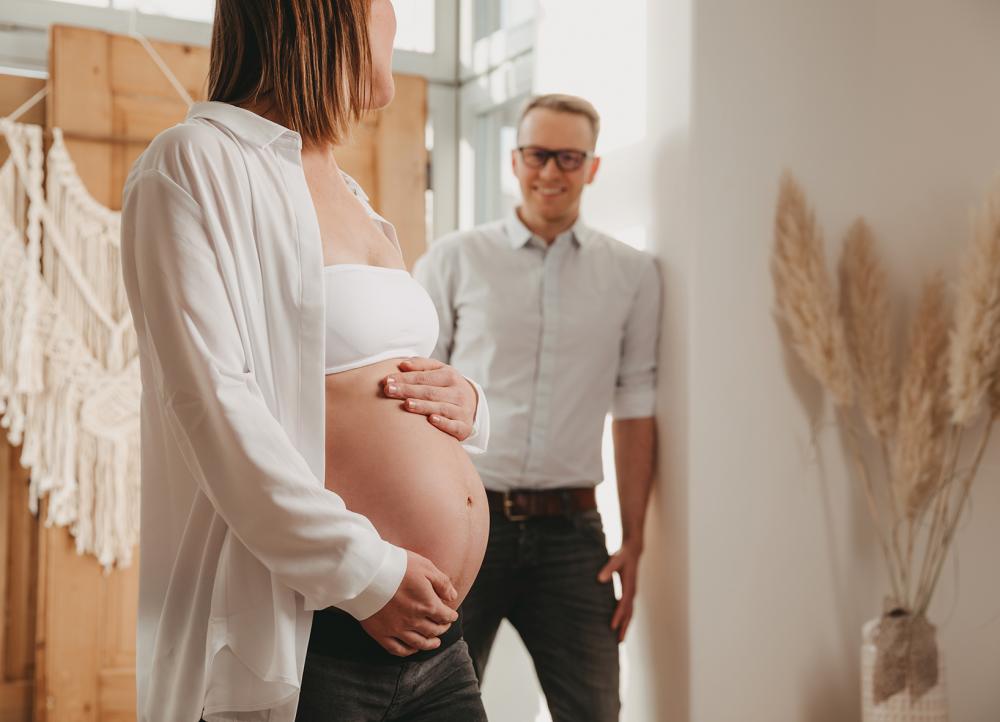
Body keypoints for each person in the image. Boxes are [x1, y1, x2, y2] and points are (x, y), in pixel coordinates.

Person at [119, 1, 491, 720]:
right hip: (323, 636)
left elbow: (370, 376)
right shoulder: (195, 162)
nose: (395, 20)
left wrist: (469, 404)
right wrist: (368, 573)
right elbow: (212, 406)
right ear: (327, 15)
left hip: (437, 642)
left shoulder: (342, 185)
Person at [413, 93, 661, 722]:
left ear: (592, 167)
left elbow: (636, 403)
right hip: (466, 525)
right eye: (537, 155)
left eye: (568, 158)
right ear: (515, 159)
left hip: (574, 539)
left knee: (596, 711)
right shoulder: (455, 258)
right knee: (424, 707)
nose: (550, 172)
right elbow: (415, 395)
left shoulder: (633, 274)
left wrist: (635, 537)